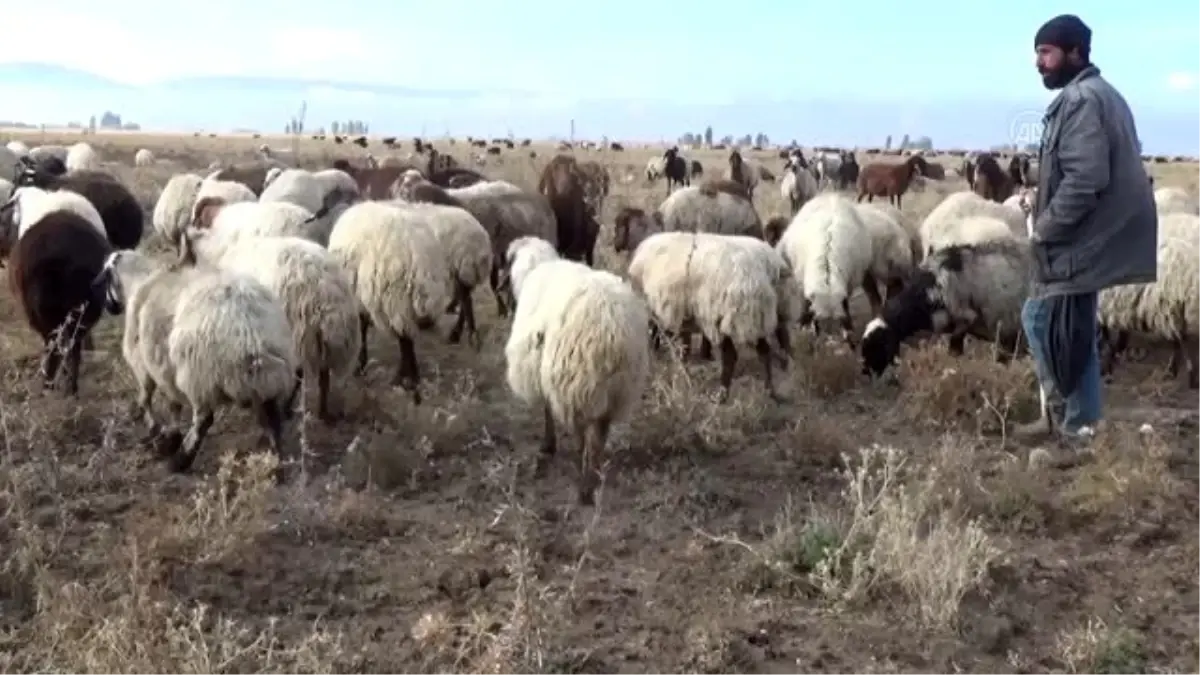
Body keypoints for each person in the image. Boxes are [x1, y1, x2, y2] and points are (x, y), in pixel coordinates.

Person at [1013, 14, 1157, 446]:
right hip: (1094, 233)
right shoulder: (1100, 95)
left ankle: (1075, 428)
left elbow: (1085, 179)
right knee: (1070, 329)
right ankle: (1072, 423)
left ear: (1074, 52)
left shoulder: (1080, 101)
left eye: (1046, 52)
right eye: (1038, 53)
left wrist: (1044, 228)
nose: (1039, 63)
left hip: (1084, 238)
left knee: (1042, 319)